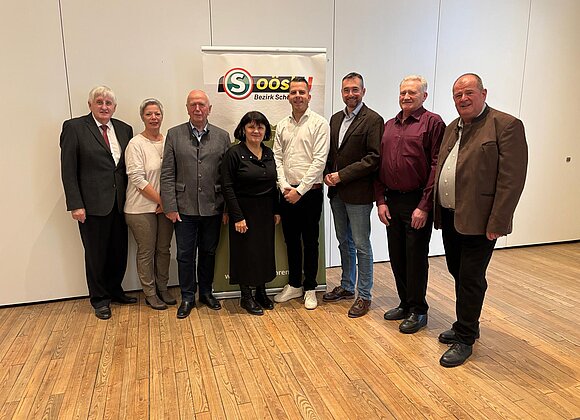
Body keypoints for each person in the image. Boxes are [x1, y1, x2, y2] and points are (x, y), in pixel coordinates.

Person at [434, 73, 528, 367]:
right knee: (458, 271)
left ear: (483, 93)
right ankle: (466, 324)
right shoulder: (452, 127)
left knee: (471, 278)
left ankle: (465, 339)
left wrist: (498, 222)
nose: (463, 99)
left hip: (480, 220)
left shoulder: (506, 125)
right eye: (457, 95)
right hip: (451, 216)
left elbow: (512, 180)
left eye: (469, 93)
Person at [375, 75, 445, 333]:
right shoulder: (389, 125)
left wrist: (424, 205)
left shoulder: (433, 123)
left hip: (417, 201)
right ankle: (405, 303)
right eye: (403, 92)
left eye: (412, 93)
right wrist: (380, 201)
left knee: (415, 257)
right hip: (392, 201)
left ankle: (418, 310)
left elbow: (437, 165)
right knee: (397, 255)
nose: (406, 97)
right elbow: (379, 164)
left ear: (424, 96)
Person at [60, 86, 135, 320]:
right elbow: (68, 170)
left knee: (118, 251)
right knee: (96, 254)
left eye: (108, 103)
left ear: (114, 107)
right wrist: (75, 204)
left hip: (120, 203)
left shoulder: (124, 129)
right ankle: (100, 299)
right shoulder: (74, 128)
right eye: (99, 102)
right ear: (90, 105)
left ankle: (115, 290)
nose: (104, 107)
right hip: (91, 205)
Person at [160, 90, 231, 319]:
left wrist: (227, 208)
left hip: (213, 206)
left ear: (209, 109)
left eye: (201, 104)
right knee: (185, 255)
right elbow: (167, 173)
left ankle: (206, 293)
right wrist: (170, 206)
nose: (197, 109)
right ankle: (188, 296)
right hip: (184, 208)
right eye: (193, 105)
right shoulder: (174, 134)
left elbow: (227, 177)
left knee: (208, 252)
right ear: (187, 108)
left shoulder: (222, 136)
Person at [322, 72, 383, 318]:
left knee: (361, 245)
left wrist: (341, 175)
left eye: (355, 89)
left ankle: (364, 295)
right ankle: (347, 286)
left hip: (358, 194)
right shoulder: (336, 119)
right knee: (343, 241)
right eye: (346, 90)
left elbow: (373, 158)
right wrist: (327, 174)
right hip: (336, 192)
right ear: (341, 92)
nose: (350, 94)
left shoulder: (373, 120)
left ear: (363, 91)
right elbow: (331, 153)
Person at [273, 77, 330, 310]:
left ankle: (310, 288)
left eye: (302, 92)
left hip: (310, 193)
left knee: (310, 241)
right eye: (294, 92)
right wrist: (284, 186)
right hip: (287, 192)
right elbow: (277, 158)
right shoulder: (282, 125)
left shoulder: (319, 123)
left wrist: (300, 190)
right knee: (291, 241)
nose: (298, 96)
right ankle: (295, 284)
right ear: (288, 96)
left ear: (309, 96)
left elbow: (320, 161)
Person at [221, 111, 281, 316]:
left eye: (260, 127)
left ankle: (261, 292)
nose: (256, 131)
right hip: (243, 211)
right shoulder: (234, 153)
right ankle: (246, 296)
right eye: (251, 127)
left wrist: (276, 210)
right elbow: (227, 186)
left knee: (263, 252)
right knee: (245, 253)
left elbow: (273, 184)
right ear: (243, 130)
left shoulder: (269, 153)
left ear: (265, 131)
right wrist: (237, 216)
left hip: (265, 212)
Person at [124, 98, 176, 310]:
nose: (154, 118)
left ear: (162, 116)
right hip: (140, 209)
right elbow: (137, 178)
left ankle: (163, 288)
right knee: (146, 251)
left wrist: (167, 204)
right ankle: (150, 293)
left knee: (164, 249)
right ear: (142, 117)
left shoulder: (168, 141)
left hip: (164, 208)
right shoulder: (135, 144)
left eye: (157, 114)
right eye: (149, 114)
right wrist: (163, 201)